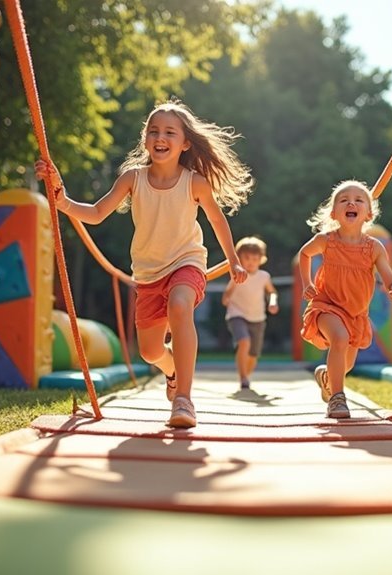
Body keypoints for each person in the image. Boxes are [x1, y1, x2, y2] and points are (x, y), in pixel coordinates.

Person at [35, 99, 252, 428]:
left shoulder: (194, 181)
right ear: (145, 139)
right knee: (150, 352)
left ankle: (184, 400)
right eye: (153, 131)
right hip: (149, 273)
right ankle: (172, 371)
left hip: (187, 261)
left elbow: (218, 222)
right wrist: (62, 200)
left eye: (169, 132)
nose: (160, 137)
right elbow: (95, 213)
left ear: (185, 143)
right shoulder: (132, 179)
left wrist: (233, 260)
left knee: (181, 305)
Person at [297, 180, 392, 419]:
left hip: (356, 314)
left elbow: (389, 277)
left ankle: (327, 377)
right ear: (334, 213)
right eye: (344, 199)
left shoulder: (374, 248)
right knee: (340, 338)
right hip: (326, 305)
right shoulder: (327, 240)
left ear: (368, 214)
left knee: (346, 365)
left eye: (359, 200)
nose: (351, 202)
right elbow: (304, 254)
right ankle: (337, 399)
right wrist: (307, 283)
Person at [221, 236, 279, 391]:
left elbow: (272, 292)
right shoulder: (237, 275)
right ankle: (243, 378)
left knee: (253, 354)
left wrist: (272, 301)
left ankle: (246, 374)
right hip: (237, 314)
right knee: (244, 342)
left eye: (255, 258)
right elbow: (227, 293)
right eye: (246, 258)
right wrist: (226, 299)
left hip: (257, 317)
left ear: (261, 259)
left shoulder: (264, 277)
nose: (251, 262)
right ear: (239, 258)